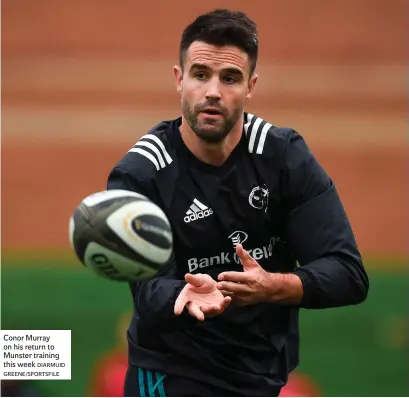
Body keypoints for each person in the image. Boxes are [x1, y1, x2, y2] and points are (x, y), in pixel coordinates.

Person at [107, 9, 369, 397]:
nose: (213, 90)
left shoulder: (282, 157)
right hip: (173, 372)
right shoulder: (142, 174)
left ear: (251, 86)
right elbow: (148, 289)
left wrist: (272, 286)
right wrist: (183, 293)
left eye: (229, 78)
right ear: (179, 79)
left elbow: (348, 274)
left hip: (262, 377)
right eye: (200, 74)